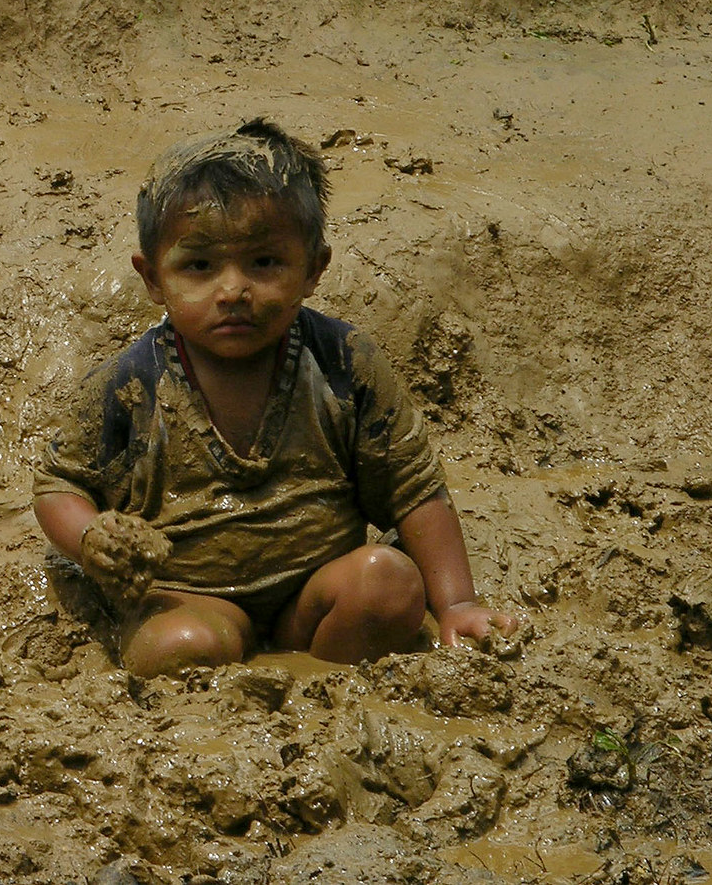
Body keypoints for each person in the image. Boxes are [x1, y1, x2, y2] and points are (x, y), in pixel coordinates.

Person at [33, 118, 518, 677]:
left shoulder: (343, 363)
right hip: (190, 595)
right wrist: (91, 537)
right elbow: (58, 484)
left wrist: (457, 604)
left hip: (315, 597)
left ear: (314, 269)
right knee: (180, 647)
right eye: (199, 266)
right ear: (152, 278)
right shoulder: (130, 384)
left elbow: (415, 489)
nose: (233, 289)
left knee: (388, 583)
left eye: (264, 263)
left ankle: (324, 689)